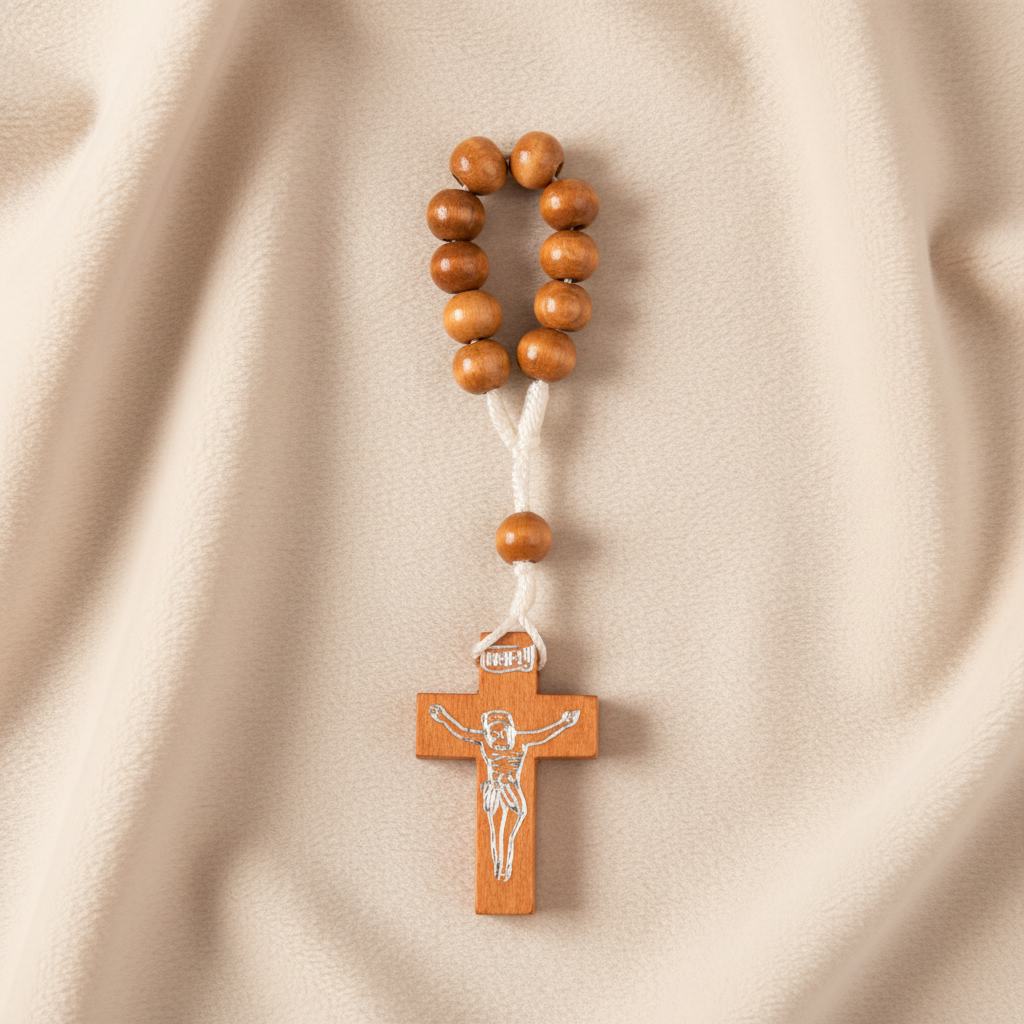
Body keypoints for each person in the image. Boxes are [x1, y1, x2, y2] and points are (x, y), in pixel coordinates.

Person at [428, 704, 580, 881]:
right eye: (493, 733)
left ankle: (505, 867)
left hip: (512, 791)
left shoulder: (521, 740)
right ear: (487, 733)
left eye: (503, 732)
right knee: (496, 831)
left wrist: (564, 723)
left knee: (508, 832)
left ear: (511, 730)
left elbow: (542, 735)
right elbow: (463, 732)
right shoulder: (483, 741)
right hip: (495, 791)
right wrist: (443, 717)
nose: (498, 737)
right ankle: (500, 867)